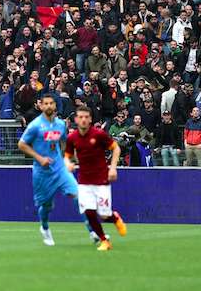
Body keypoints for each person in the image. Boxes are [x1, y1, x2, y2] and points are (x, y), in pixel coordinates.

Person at [18, 94, 87, 247]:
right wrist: (39, 158)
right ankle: (44, 227)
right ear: (41, 106)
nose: (49, 106)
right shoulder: (35, 125)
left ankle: (93, 231)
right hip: (42, 172)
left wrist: (69, 159)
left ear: (55, 106)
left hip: (60, 169)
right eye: (46, 103)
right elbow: (21, 144)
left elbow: (65, 143)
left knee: (78, 195)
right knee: (47, 206)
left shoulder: (61, 124)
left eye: (51, 103)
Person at [64, 104, 127, 252]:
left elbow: (116, 148)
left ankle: (115, 218)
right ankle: (104, 240)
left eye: (86, 117)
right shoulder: (72, 137)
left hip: (101, 180)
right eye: (80, 117)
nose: (83, 120)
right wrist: (68, 164)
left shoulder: (98, 135)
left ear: (91, 119)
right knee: (89, 212)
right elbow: (67, 155)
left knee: (104, 215)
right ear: (76, 119)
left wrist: (113, 168)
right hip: (84, 181)